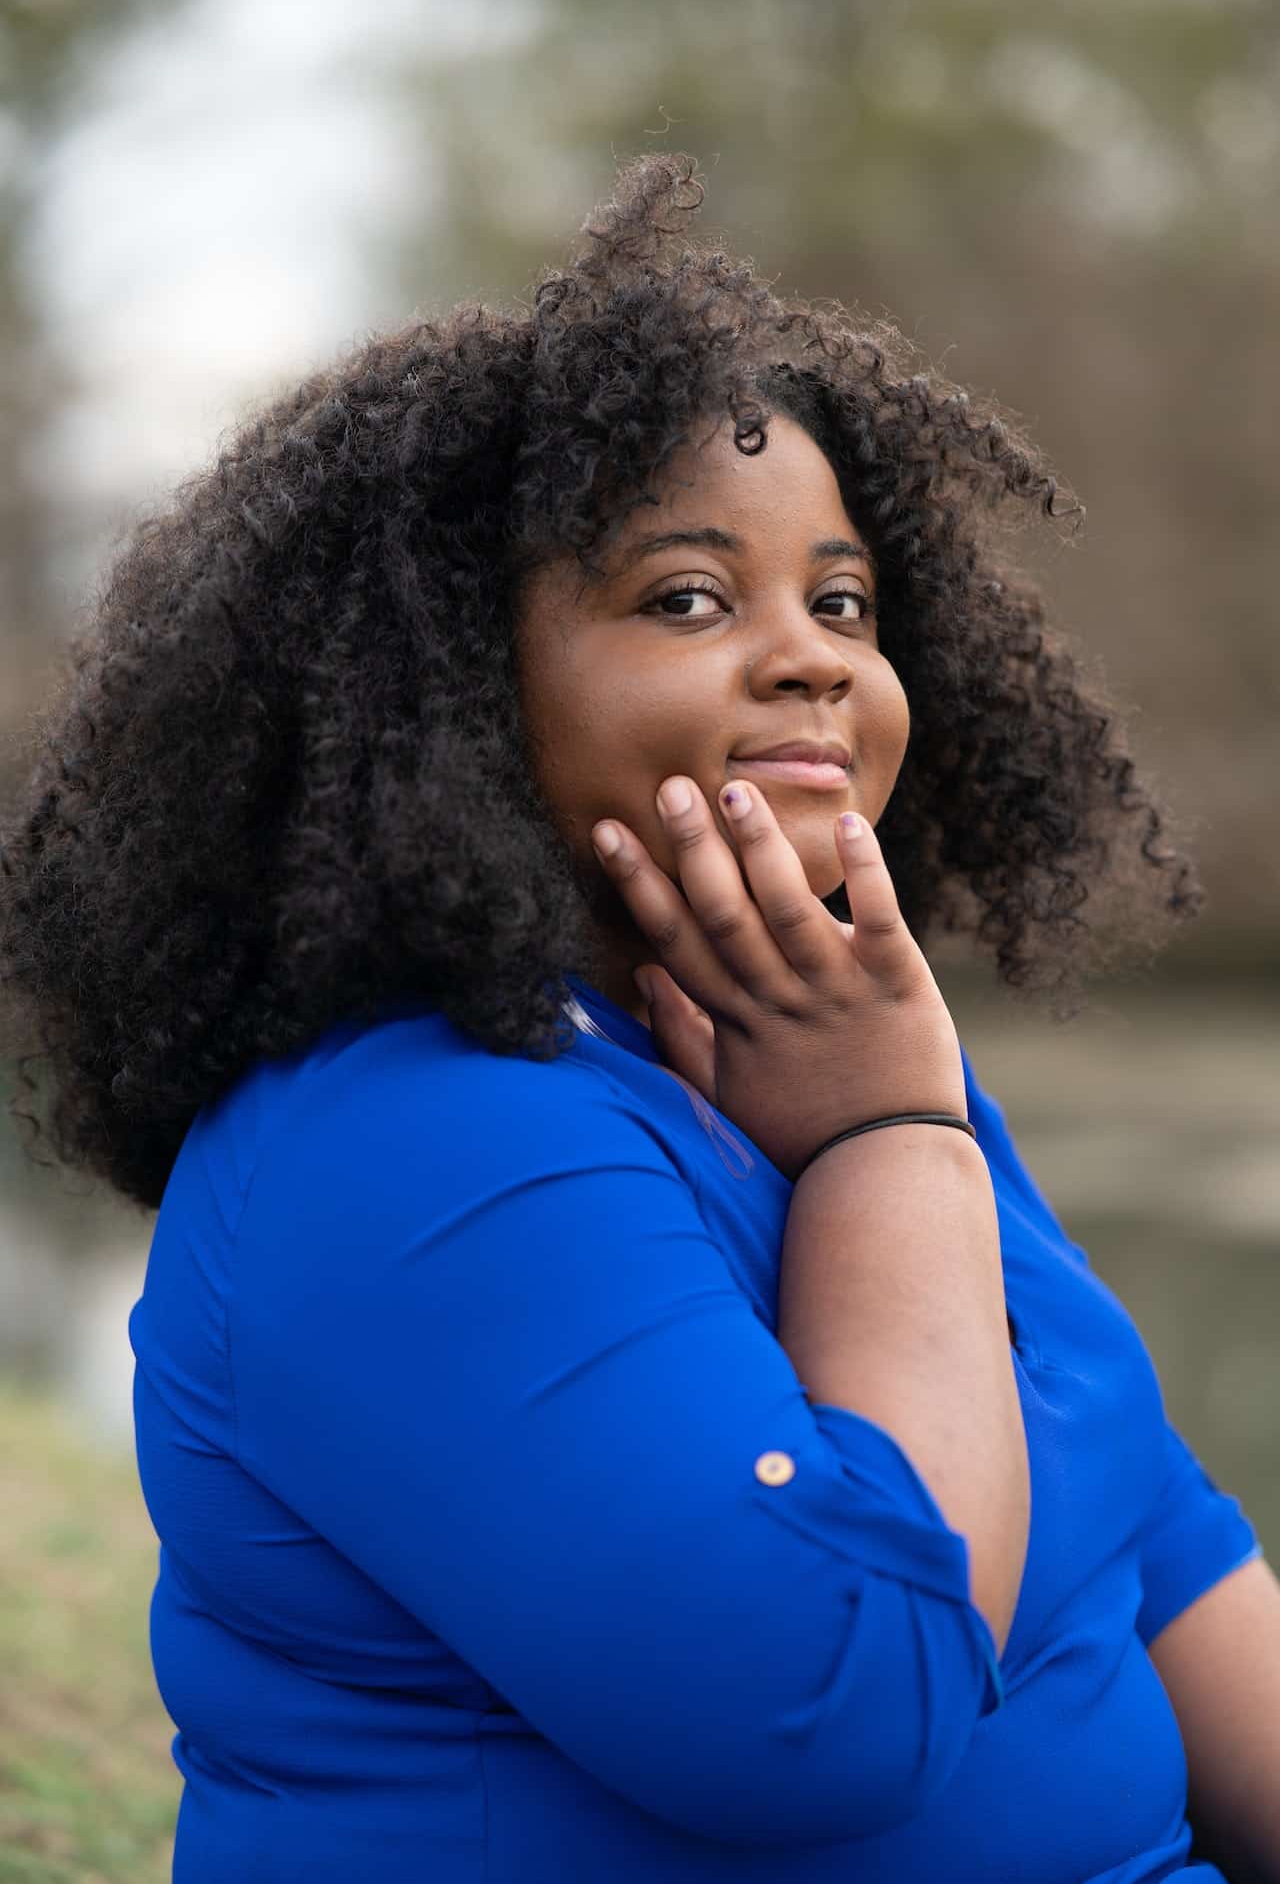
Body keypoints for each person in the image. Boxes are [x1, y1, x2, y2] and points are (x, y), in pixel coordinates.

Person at [0, 152, 1275, 1883]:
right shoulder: (407, 1137)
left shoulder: (823, 1041)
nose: (812, 654)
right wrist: (896, 1144)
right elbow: (844, 1704)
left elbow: (1162, 1547)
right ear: (446, 687)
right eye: (687, 596)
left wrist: (898, 1120)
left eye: (842, 601)